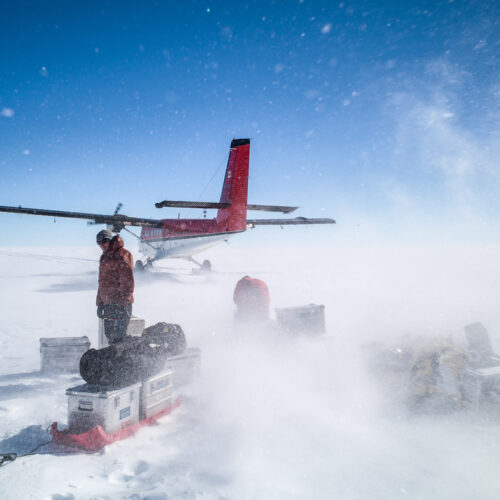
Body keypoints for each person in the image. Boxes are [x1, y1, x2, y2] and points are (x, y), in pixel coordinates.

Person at [96, 229, 135, 344]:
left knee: (119, 339)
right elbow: (102, 282)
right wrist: (100, 303)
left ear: (110, 240)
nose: (101, 245)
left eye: (104, 241)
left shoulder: (122, 254)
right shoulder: (104, 257)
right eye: (98, 242)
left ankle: (124, 360)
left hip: (120, 304)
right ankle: (114, 360)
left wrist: (123, 304)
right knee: (110, 336)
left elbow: (127, 281)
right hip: (108, 304)